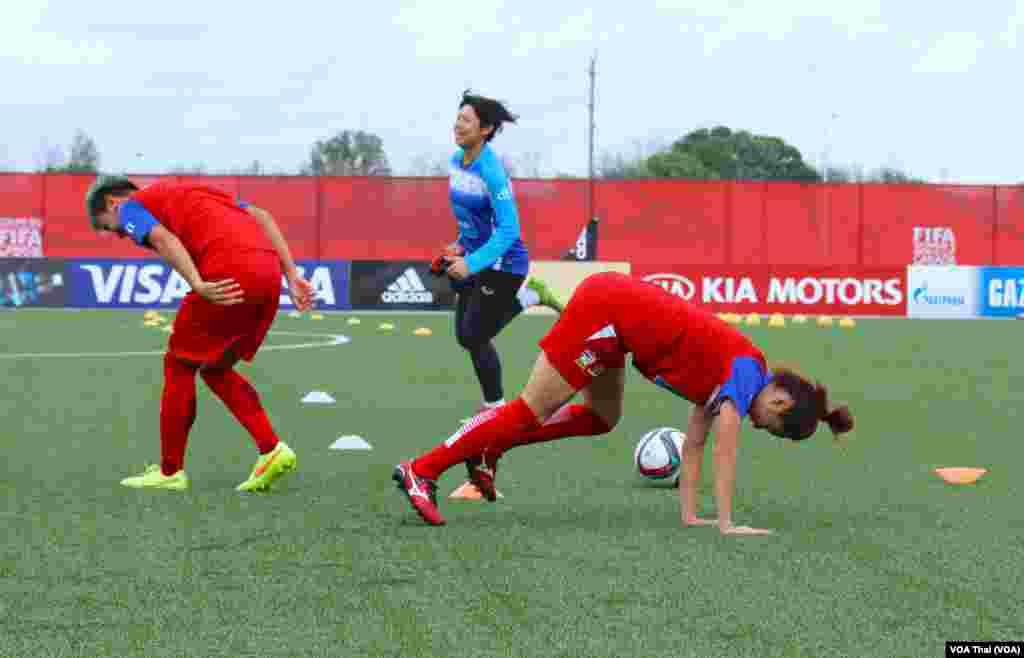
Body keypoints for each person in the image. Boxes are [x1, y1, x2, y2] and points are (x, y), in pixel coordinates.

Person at [393, 272, 855, 533]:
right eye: (767, 427)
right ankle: (424, 468)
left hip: (621, 329)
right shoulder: (747, 373)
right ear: (777, 402)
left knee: (602, 417)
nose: (756, 428)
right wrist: (728, 524)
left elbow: (695, 444)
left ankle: (493, 447)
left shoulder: (727, 382)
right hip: (608, 311)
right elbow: (724, 449)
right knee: (528, 409)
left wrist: (692, 516)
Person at [85, 176, 314, 492]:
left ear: (113, 202)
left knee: (178, 364)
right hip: (268, 273)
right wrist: (291, 273)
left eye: (112, 227)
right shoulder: (190, 188)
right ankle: (271, 449)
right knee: (215, 367)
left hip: (229, 269)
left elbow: (163, 239)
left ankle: (170, 472)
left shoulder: (130, 207)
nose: (123, 234)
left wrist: (196, 282)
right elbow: (261, 215)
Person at [432, 90, 563, 493]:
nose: (458, 125)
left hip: (504, 265)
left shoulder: (492, 171)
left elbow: (509, 231)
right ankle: (531, 297)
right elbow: (471, 219)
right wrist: (458, 246)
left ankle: (493, 409)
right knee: (463, 336)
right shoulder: (456, 162)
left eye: (467, 121)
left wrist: (470, 263)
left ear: (486, 130)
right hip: (475, 258)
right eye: (457, 118)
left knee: (475, 334)